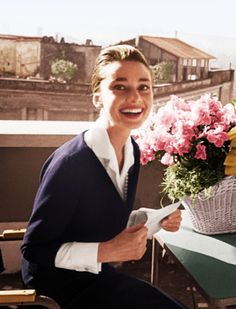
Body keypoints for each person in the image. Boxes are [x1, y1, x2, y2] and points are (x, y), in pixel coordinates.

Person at [21, 44, 184, 309]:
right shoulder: (71, 164)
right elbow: (35, 250)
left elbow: (103, 218)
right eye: (120, 87)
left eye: (144, 87)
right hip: (58, 287)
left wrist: (153, 220)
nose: (135, 97)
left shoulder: (131, 151)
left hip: (98, 274)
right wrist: (107, 251)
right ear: (97, 96)